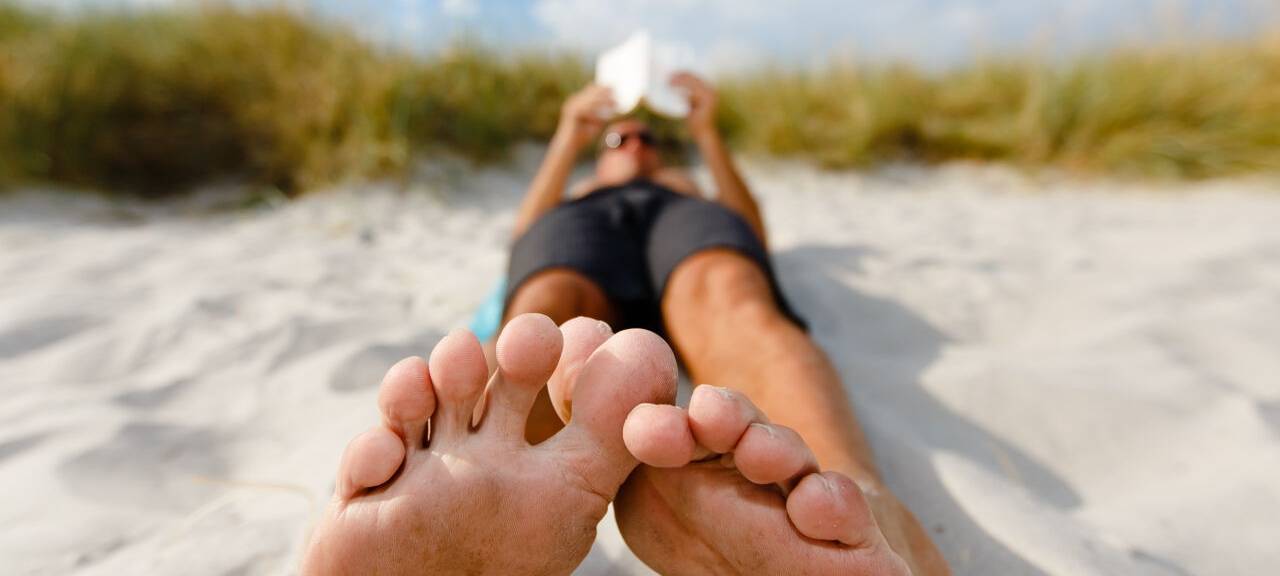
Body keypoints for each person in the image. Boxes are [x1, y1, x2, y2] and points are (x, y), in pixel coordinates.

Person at [301, 73, 949, 575]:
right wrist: (568, 134)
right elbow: (526, 238)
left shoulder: (682, 181)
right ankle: (466, 500)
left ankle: (861, 510)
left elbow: (751, 229)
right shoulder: (584, 192)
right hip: (587, 229)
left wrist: (706, 136)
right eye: (620, 138)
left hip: (680, 223)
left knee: (730, 296)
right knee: (544, 306)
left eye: (648, 137)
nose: (635, 143)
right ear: (599, 150)